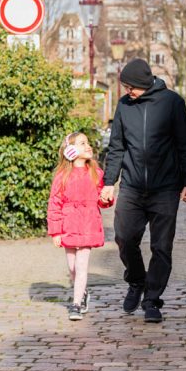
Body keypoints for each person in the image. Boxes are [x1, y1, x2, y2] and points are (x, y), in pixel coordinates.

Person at [100, 58, 186, 323]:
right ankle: (136, 281)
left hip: (165, 188)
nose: (127, 92)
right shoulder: (124, 106)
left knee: (161, 247)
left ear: (144, 84)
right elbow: (116, 147)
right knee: (124, 237)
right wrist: (109, 183)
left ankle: (152, 300)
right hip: (132, 186)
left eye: (131, 87)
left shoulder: (172, 103)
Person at [48, 132, 114, 321]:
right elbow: (54, 204)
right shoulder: (62, 177)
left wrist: (105, 199)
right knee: (72, 267)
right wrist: (56, 232)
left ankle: (76, 303)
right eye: (82, 143)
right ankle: (82, 293)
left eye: (88, 142)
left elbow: (103, 199)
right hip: (69, 224)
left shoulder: (96, 173)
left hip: (88, 223)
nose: (88, 146)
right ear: (70, 150)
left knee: (82, 265)